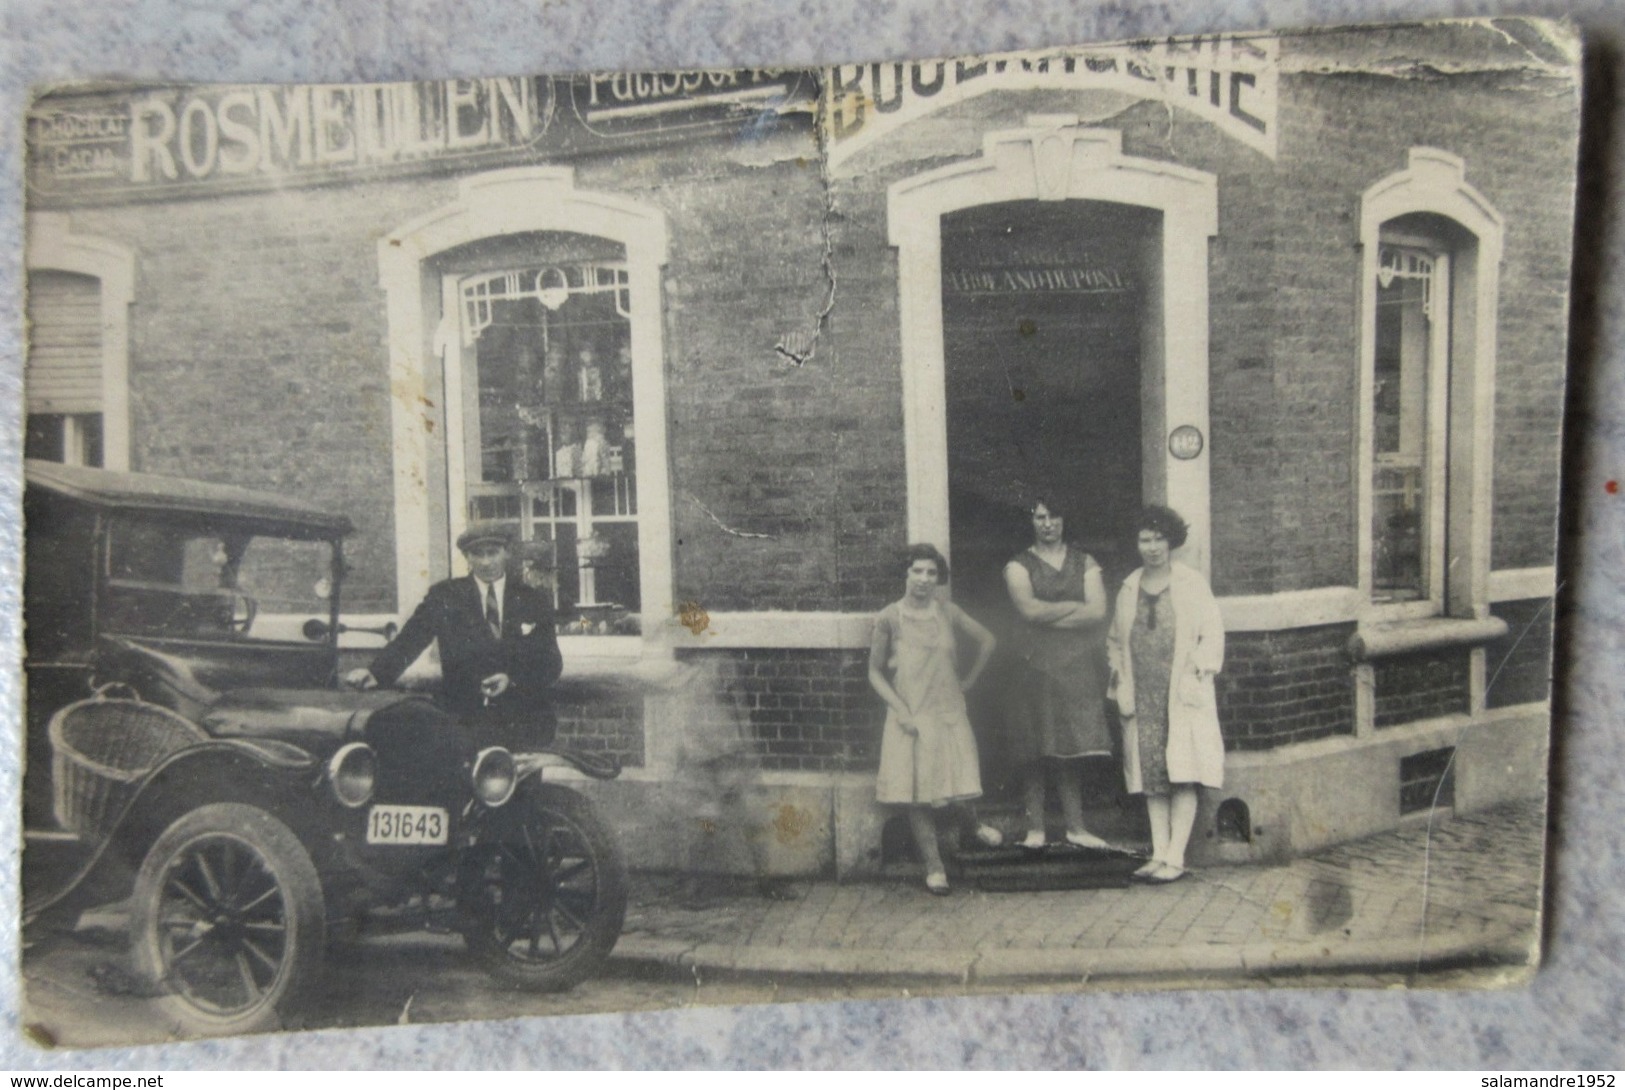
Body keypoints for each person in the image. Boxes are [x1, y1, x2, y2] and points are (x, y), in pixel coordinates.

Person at [345, 521, 564, 749]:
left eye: (493, 553)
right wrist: (376, 673)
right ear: (467, 557)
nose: (486, 562)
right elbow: (411, 639)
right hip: (465, 720)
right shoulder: (445, 596)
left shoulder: (532, 599)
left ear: (506, 553)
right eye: (478, 554)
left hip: (522, 721)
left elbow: (550, 663)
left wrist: (512, 679)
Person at [868, 544, 1000, 895]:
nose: (925, 580)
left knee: (958, 780)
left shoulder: (948, 612)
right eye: (918, 571)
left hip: (948, 711)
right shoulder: (889, 618)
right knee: (919, 795)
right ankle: (934, 866)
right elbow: (874, 673)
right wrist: (900, 710)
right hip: (911, 716)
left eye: (932, 573)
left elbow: (988, 640)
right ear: (906, 574)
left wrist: (968, 682)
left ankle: (973, 826)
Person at [1107, 505, 1225, 884]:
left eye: (1159, 538)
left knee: (1183, 773)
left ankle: (1176, 856)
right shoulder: (1129, 587)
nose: (1153, 546)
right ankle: (1158, 853)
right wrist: (1120, 677)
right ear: (1136, 543)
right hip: (1143, 692)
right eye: (1145, 539)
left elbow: (1212, 633)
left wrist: (1198, 672)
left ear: (1171, 541)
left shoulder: (1190, 583)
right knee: (1151, 775)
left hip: (1180, 691)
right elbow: (1114, 640)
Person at [1003, 496, 1115, 850]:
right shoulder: (1018, 565)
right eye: (1040, 517)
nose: (1047, 523)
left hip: (1076, 665)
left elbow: (1098, 612)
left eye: (1054, 515)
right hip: (1033, 664)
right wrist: (1073, 607)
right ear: (1031, 521)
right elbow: (1028, 611)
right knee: (1034, 747)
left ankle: (1076, 828)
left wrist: (1050, 612)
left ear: (1064, 520)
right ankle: (1035, 828)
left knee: (1070, 749)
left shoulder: (1085, 561)